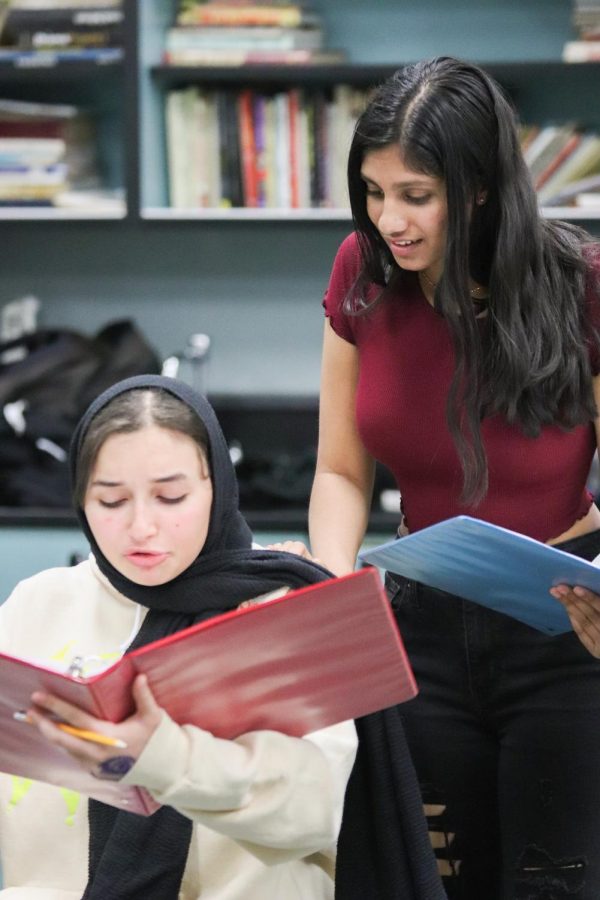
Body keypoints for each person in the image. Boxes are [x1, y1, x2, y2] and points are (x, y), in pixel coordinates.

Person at [309, 55, 600, 899]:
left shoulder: (580, 288)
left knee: (555, 885)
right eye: (372, 190)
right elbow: (337, 469)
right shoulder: (360, 273)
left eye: (415, 195)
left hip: (562, 630)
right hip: (419, 630)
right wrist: (331, 592)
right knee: (429, 881)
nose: (387, 219)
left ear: (477, 188)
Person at [0, 374, 357, 900]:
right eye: (112, 501)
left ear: (217, 486)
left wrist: (165, 758)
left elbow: (314, 811)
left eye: (171, 497)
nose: (141, 527)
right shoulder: (39, 605)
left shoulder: (279, 608)